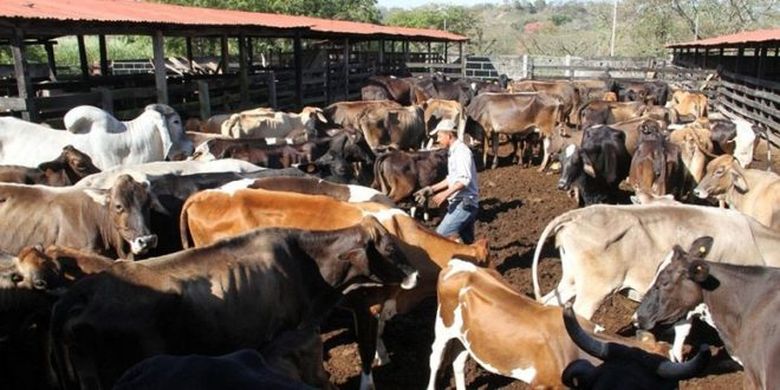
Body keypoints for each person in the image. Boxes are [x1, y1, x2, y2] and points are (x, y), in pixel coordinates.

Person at [414, 119, 479, 244]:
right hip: (462, 203)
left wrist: (444, 194)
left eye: (439, 136)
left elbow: (464, 179)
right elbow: (452, 179)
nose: (437, 140)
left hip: (464, 205)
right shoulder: (453, 152)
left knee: (440, 237)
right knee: (468, 244)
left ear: (449, 136)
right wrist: (431, 189)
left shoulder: (461, 152)